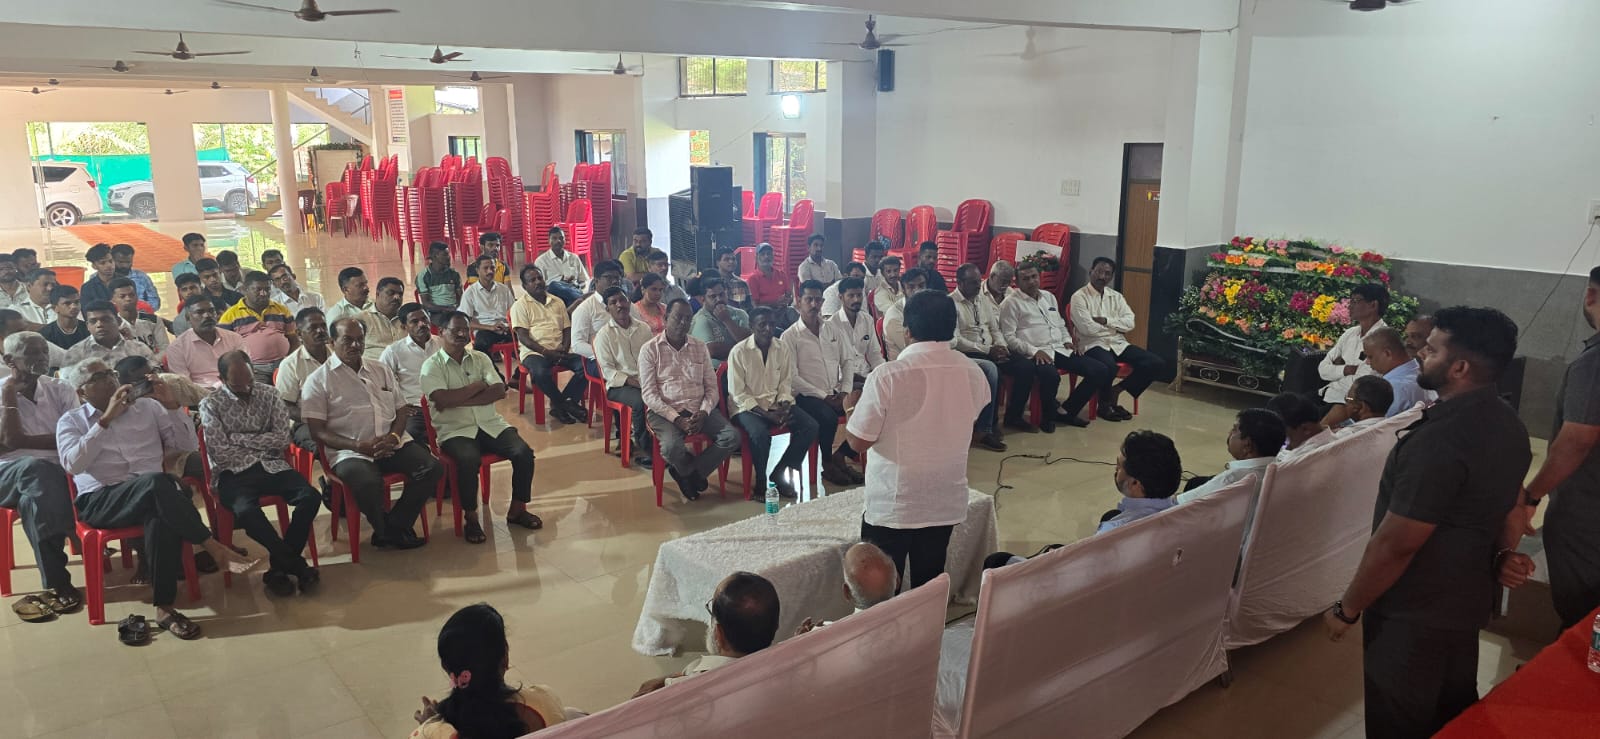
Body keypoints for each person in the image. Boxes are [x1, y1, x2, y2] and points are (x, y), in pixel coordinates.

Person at [1323, 306, 1530, 739]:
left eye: (1432, 350)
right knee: (1451, 715)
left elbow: (1397, 543)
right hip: (1467, 600)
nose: (1419, 354)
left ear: (1459, 367)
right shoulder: (1509, 423)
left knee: (1400, 718)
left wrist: (1348, 608)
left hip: (1413, 612)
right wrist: (1504, 553)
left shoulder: (1439, 441)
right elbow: (1514, 505)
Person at [56, 357, 255, 639]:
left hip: (154, 495)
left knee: (160, 512)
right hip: (102, 500)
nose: (111, 379)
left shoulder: (148, 407)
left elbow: (186, 445)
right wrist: (105, 421)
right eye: (99, 378)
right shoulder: (71, 421)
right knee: (159, 483)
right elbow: (72, 465)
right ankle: (213, 546)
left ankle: (164, 607)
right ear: (81, 392)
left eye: (111, 373)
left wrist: (172, 406)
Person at [845, 290, 987, 587]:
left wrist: (850, 409)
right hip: (943, 496)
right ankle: (928, 619)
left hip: (895, 503)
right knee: (929, 584)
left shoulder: (888, 376)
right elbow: (967, 420)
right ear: (952, 328)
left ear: (907, 331)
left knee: (882, 591)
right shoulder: (972, 372)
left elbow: (858, 442)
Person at [1500, 267, 1600, 630]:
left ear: (1591, 295)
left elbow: (1578, 439)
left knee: (1582, 618)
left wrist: (1530, 496)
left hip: (1589, 516)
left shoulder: (1594, 363)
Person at [303, 318, 442, 550]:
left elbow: (401, 409)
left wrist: (394, 437)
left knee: (432, 468)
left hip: (391, 443)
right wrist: (358, 446)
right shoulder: (318, 380)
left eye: (360, 340)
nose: (355, 346)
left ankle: (392, 528)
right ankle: (386, 529)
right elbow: (317, 431)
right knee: (368, 482)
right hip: (350, 451)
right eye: (347, 340)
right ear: (332, 342)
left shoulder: (379, 369)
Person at [199, 351, 321, 597]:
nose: (246, 388)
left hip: (272, 464)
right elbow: (220, 452)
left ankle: (278, 569)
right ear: (222, 379)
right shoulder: (210, 404)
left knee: (310, 497)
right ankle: (297, 566)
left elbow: (282, 438)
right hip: (233, 472)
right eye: (237, 384)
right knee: (246, 512)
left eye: (249, 380)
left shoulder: (270, 394)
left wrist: (238, 438)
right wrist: (260, 441)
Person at [423, 312, 542, 544]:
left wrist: (457, 399)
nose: (462, 334)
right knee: (468, 460)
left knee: (523, 453)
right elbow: (441, 399)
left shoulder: (480, 358)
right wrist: (477, 386)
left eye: (465, 330)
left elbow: (498, 391)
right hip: (455, 429)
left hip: (490, 424)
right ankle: (471, 517)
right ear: (441, 332)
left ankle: (517, 509)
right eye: (455, 330)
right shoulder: (432, 366)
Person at [0, 331, 83, 617]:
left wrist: (20, 440)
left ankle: (57, 582)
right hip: (6, 474)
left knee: (33, 501)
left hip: (56, 475)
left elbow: (73, 437)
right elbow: (6, 444)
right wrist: (8, 397)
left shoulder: (60, 388)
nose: (42, 358)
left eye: (44, 351)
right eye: (32, 353)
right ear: (10, 360)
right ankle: (74, 532)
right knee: (35, 469)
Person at [411, 604, 569, 738]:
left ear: (446, 667)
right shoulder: (545, 703)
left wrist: (430, 727)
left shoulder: (431, 733)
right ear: (505, 657)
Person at [639, 299, 739, 501]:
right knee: (671, 448)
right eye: (678, 317)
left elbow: (711, 388)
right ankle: (690, 472)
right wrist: (676, 419)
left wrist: (704, 411)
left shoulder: (699, 347)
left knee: (732, 437)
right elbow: (649, 394)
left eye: (688, 319)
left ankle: (689, 473)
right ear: (666, 318)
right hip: (665, 411)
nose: (683, 323)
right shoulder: (649, 350)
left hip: (697, 407)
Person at [998, 263, 1111, 432]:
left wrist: (1067, 340)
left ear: (1039, 277)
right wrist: (1034, 351)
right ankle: (1047, 417)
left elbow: (1060, 324)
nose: (1031, 281)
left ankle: (1066, 411)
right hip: (1034, 352)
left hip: (1059, 347)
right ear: (1017, 282)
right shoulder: (1011, 303)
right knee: (1051, 376)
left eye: (1034, 277)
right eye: (1026, 279)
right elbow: (1009, 338)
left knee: (1100, 370)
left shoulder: (1048, 297)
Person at [635, 572, 780, 695]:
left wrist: (669, 681)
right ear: (776, 626)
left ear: (719, 635)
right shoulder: (787, 667)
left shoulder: (675, 692)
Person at [728, 306, 819, 499]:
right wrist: (767, 414)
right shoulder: (739, 351)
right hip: (746, 408)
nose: (768, 329)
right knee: (759, 434)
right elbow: (738, 394)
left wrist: (784, 405)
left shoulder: (781, 347)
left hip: (775, 403)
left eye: (771, 324)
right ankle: (761, 482)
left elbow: (785, 382)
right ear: (751, 326)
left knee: (810, 426)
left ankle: (779, 471)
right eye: (762, 324)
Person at [785, 280, 862, 485]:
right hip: (806, 396)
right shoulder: (790, 336)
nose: (814, 304)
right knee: (827, 417)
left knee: (869, 403)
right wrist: (824, 397)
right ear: (798, 301)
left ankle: (842, 455)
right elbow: (792, 377)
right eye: (809, 299)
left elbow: (848, 360)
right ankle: (827, 464)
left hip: (835, 391)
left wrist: (845, 391)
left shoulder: (832, 329)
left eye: (818, 300)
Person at [1070, 257, 1166, 422]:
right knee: (1109, 366)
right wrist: (1115, 327)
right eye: (1099, 271)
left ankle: (1116, 391)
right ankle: (1104, 405)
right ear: (1091, 271)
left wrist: (1106, 321)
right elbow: (1087, 329)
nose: (1102, 276)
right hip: (1092, 344)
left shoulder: (1116, 297)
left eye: (1107, 273)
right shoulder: (1079, 297)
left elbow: (1130, 323)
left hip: (1117, 343)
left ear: (1112, 276)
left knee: (1155, 363)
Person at [511, 265, 587, 425]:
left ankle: (561, 405)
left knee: (587, 366)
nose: (538, 282)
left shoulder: (557, 302)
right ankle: (565, 405)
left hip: (559, 349)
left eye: (539, 278)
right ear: (524, 286)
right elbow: (523, 337)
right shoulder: (520, 306)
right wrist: (546, 352)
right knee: (540, 373)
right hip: (534, 352)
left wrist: (565, 347)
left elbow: (567, 328)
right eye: (532, 280)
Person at [594, 287, 657, 468]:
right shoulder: (604, 335)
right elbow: (608, 371)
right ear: (607, 308)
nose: (619, 305)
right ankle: (645, 447)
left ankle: (664, 440)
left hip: (644, 379)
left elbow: (653, 357)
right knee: (640, 400)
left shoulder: (643, 328)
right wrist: (635, 383)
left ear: (629, 302)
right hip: (619, 386)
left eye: (622, 300)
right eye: (613, 302)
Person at [951, 264, 1010, 449]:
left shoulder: (982, 299)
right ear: (960, 283)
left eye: (979, 281)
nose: (978, 286)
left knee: (1024, 366)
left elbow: (994, 328)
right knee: (993, 371)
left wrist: (1002, 346)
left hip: (991, 348)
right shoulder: (951, 303)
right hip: (967, 352)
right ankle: (985, 429)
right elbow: (956, 340)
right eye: (973, 282)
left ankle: (1012, 417)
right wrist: (987, 350)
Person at [1316, 283, 1390, 426]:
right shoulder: (1350, 333)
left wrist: (1336, 370)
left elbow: (1364, 381)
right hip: (1326, 393)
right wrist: (1346, 369)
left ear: (1373, 305)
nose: (1350, 306)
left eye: (1355, 301)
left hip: (1346, 403)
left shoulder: (1382, 338)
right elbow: (1322, 369)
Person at [1176, 409, 1286, 504]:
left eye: (1234, 429)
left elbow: (1178, 504)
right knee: (1195, 482)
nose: (1229, 433)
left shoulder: (1231, 480)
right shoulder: (1283, 470)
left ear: (1247, 445)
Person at [795, 542, 898, 634]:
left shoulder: (822, 635)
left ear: (847, 592)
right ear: (897, 581)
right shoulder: (908, 622)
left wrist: (800, 643)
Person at [219, 270, 298, 380]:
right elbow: (223, 348)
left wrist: (288, 360)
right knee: (259, 390)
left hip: (283, 363)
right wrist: (243, 366)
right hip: (253, 368)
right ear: (245, 289)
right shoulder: (230, 315)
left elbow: (294, 339)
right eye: (258, 289)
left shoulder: (281, 310)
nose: (263, 293)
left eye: (267, 289)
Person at [1098, 431, 1182, 533]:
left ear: (1135, 484)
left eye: (1119, 466)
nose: (1116, 469)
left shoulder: (1110, 532)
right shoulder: (1185, 513)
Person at [380, 304, 442, 442]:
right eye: (414, 321)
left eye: (424, 319)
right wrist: (397, 406)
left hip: (445, 404)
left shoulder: (442, 344)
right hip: (416, 408)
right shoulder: (394, 351)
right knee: (411, 434)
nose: (422, 324)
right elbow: (380, 382)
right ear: (404, 327)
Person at [571, 260, 637, 379]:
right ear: (596, 281)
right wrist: (606, 353)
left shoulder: (628, 305)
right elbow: (577, 344)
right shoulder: (585, 309)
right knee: (626, 376)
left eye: (617, 278)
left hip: (630, 354)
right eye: (609, 277)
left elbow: (639, 328)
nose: (615, 281)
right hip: (600, 359)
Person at [276, 307, 330, 452]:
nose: (320, 331)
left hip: (341, 416)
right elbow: (284, 405)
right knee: (326, 446)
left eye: (323, 326)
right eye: (313, 328)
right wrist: (316, 418)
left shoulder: (338, 356)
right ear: (299, 334)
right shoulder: (290, 364)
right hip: (305, 422)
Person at [167, 296, 247, 388]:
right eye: (200, 312)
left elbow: (245, 369)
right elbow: (185, 385)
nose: (207, 315)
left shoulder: (234, 338)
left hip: (235, 388)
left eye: (211, 311)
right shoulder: (177, 348)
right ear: (188, 317)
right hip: (200, 393)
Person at [827, 276, 885, 385]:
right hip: (842, 381)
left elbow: (874, 354)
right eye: (851, 296)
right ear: (841, 297)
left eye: (859, 295)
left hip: (866, 376)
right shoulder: (831, 325)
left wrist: (883, 374)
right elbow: (832, 363)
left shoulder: (867, 319)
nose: (856, 300)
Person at [63, 299, 154, 368]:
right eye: (93, 321)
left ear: (118, 321)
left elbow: (155, 377)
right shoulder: (76, 354)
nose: (99, 325)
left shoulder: (139, 349)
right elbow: (67, 386)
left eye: (106, 320)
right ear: (87, 326)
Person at [1364, 326, 1434, 416]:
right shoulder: (1422, 373)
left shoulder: (1394, 388)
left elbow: (1378, 423)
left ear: (1387, 353)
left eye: (1370, 357)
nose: (1367, 362)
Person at [459, 254, 516, 357]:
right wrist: (490, 327)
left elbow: (514, 312)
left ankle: (521, 363)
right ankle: (490, 367)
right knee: (481, 344)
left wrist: (510, 326)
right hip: (485, 330)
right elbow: (465, 322)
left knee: (530, 335)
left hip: (505, 328)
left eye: (492, 268)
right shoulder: (470, 293)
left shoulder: (504, 289)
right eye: (485, 268)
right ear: (477, 270)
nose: (490, 271)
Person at [690, 277, 751, 368]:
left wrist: (727, 320)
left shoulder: (739, 313)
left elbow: (751, 342)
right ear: (703, 299)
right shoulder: (700, 319)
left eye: (721, 294)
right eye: (713, 296)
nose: (718, 299)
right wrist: (742, 346)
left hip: (745, 366)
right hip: (715, 372)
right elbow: (712, 350)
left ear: (727, 294)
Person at [109, 277, 168, 362]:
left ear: (137, 296)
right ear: (113, 300)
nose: (128, 299)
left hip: (156, 364)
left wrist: (151, 363)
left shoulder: (154, 320)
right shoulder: (113, 326)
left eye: (131, 295)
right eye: (122, 296)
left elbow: (165, 348)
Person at [1269, 391, 1335, 463]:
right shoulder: (1340, 437)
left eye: (1286, 439)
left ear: (1305, 429)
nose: (1286, 446)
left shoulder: (1294, 460)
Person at [532, 227, 589, 306]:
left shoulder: (574, 258)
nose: (558, 241)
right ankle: (582, 300)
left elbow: (583, 281)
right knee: (554, 285)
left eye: (561, 238)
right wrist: (561, 284)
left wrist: (575, 286)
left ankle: (578, 299)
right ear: (549, 241)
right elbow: (540, 287)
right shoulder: (541, 261)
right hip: (554, 298)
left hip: (573, 292)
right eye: (554, 238)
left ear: (565, 240)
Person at [880, 267, 927, 361]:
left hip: (927, 359)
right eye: (911, 287)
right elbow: (914, 349)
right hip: (903, 364)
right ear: (903, 290)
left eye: (921, 286)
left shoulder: (930, 306)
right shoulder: (894, 316)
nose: (917, 291)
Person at [359, 277, 409, 362]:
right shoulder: (361, 319)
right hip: (374, 367)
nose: (397, 297)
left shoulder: (409, 318)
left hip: (406, 366)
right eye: (391, 293)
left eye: (400, 294)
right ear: (377, 294)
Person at [745, 243, 795, 327]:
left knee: (793, 312)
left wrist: (787, 300)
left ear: (773, 256)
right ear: (756, 258)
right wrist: (775, 304)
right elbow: (755, 306)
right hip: (765, 316)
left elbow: (789, 296)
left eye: (769, 254)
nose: (766, 257)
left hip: (783, 311)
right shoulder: (753, 279)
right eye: (763, 254)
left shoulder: (781, 274)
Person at [416, 242, 464, 324]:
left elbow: (461, 296)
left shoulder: (454, 274)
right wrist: (445, 309)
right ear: (435, 256)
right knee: (450, 324)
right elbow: (426, 303)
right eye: (445, 255)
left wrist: (457, 308)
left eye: (448, 254)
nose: (449, 257)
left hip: (454, 310)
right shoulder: (423, 276)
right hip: (436, 312)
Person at [110, 243, 160, 311]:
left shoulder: (141, 277)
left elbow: (154, 300)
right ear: (112, 260)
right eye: (121, 262)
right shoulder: (102, 278)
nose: (125, 266)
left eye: (128, 262)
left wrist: (142, 311)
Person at [41, 285, 88, 351]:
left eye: (77, 302)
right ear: (55, 308)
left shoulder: (89, 330)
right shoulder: (45, 334)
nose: (74, 306)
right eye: (67, 303)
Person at [77, 243, 119, 308]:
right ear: (94, 266)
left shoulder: (126, 282)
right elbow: (86, 310)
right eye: (102, 263)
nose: (109, 265)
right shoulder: (87, 288)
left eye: (111, 261)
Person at [712, 247, 752, 311]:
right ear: (717, 263)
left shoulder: (742, 284)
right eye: (726, 259)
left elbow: (749, 308)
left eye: (733, 259)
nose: (731, 262)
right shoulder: (712, 283)